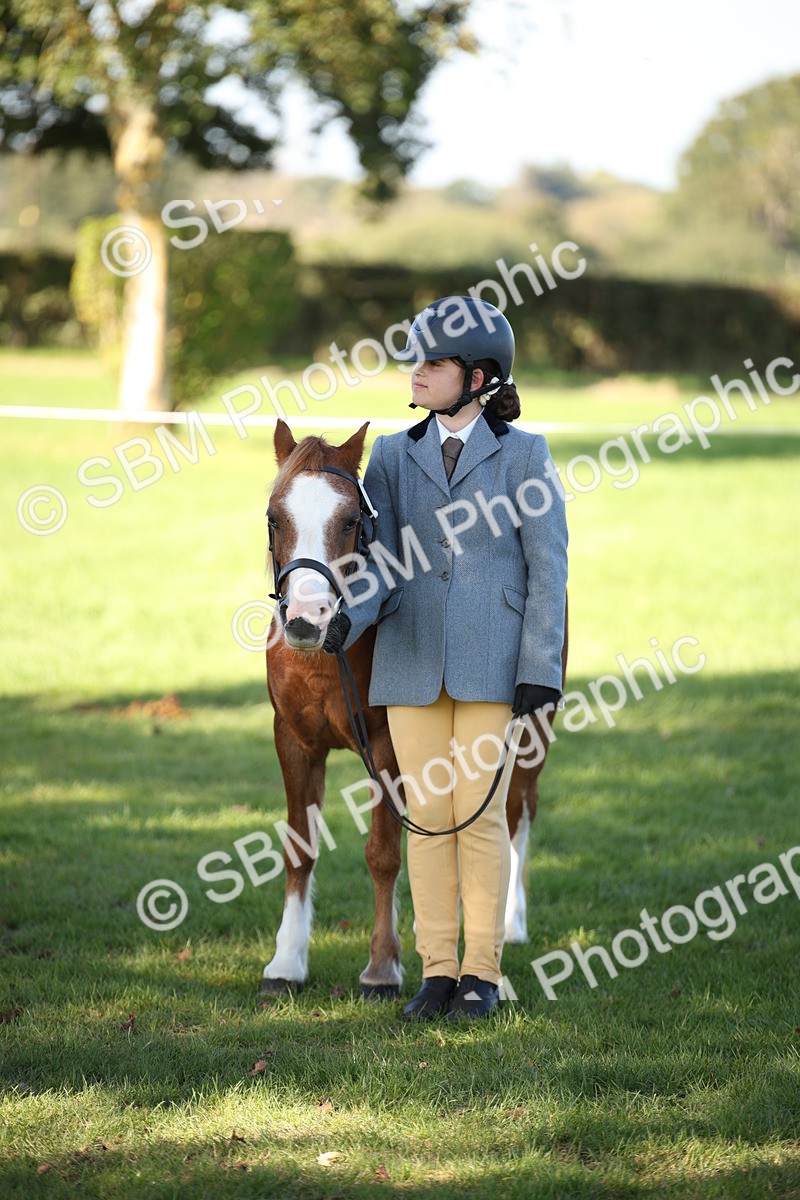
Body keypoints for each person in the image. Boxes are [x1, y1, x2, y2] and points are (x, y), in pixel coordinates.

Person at [323, 295, 568, 1020]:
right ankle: (436, 973)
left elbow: (548, 569)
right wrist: (345, 619)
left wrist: (540, 670)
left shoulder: (526, 455)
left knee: (479, 814)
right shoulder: (395, 457)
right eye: (416, 359)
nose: (417, 372)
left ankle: (482, 975)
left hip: (495, 663)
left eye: (433, 362)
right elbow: (380, 565)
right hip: (410, 657)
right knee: (425, 816)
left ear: (479, 375)